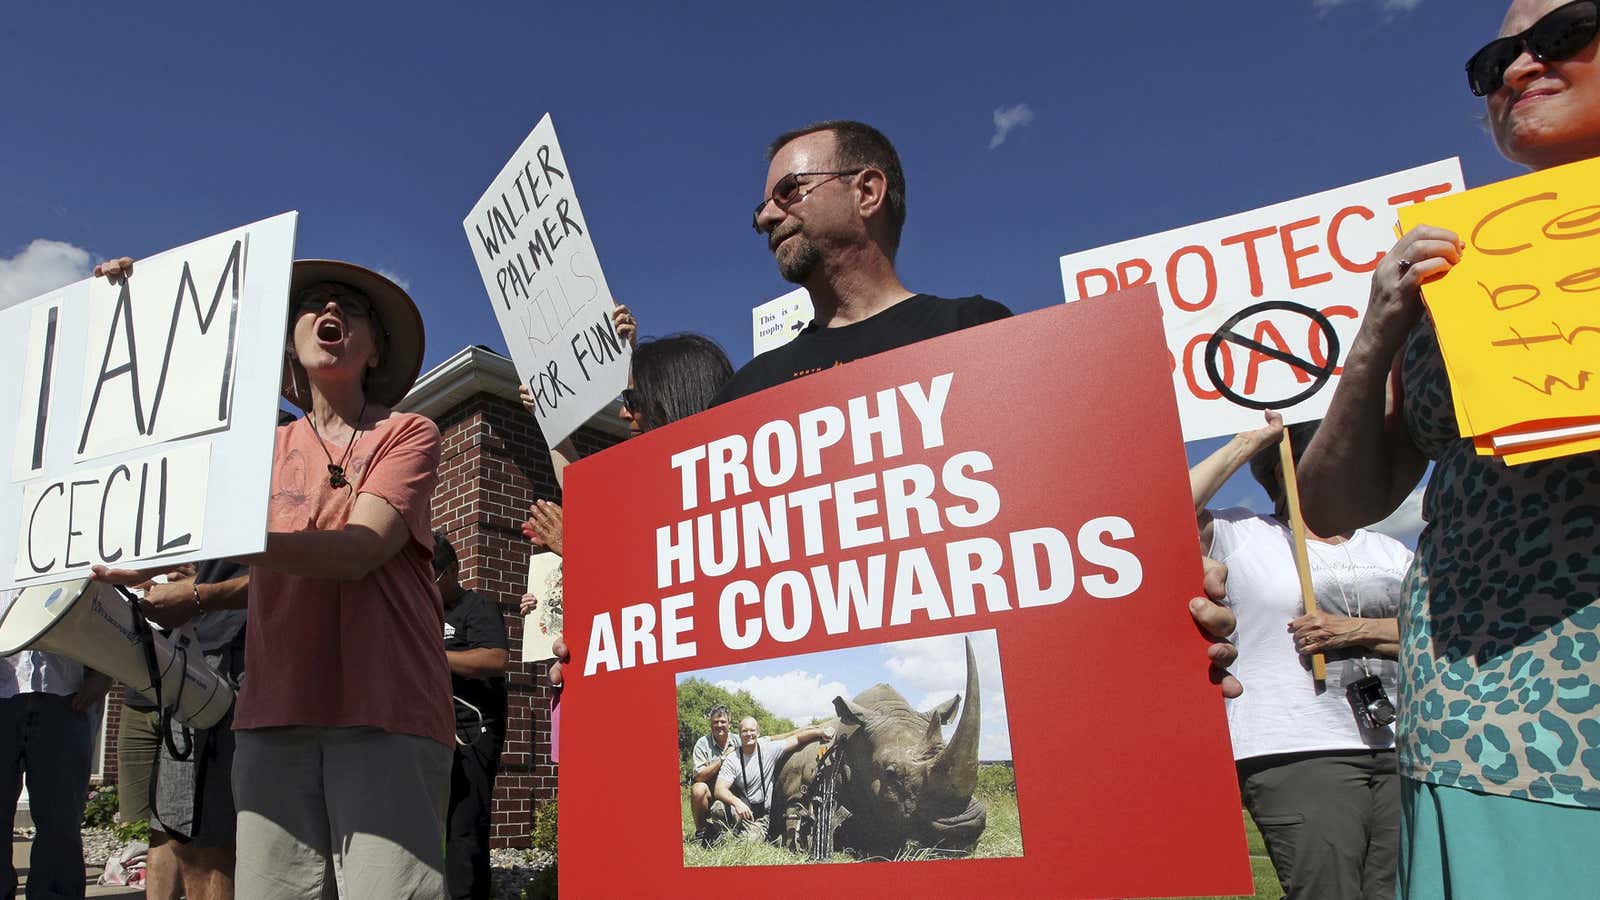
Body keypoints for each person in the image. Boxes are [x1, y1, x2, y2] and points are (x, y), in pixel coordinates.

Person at [1297, 2, 1600, 895]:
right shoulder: (1452, 270)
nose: (1517, 69)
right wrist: (1378, 332)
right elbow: (1333, 507)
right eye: (1493, 59)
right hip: (1495, 720)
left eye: (1563, 32)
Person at [92, 256, 454, 900]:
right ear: (288, 342)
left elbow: (354, 552)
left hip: (386, 708)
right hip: (273, 712)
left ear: (375, 351)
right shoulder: (255, 452)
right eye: (312, 303)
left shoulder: (409, 433)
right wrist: (130, 314)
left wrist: (213, 552)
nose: (330, 311)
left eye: (351, 305)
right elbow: (162, 406)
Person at [1193, 412, 1408, 900]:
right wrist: (1253, 439)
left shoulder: (1390, 551)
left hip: (1398, 744)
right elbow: (1162, 512)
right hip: (1296, 747)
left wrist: (1356, 630)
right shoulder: (1241, 533)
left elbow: (1438, 631)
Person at [0, 590, 111, 900]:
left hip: (66, 692)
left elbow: (107, 597)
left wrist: (107, 670)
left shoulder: (78, 539)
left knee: (61, 822)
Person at [434, 532, 510, 900]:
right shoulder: (423, 612)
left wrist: (434, 655)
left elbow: (495, 660)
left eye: (432, 576)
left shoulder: (477, 608)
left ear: (452, 570)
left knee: (465, 828)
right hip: (430, 731)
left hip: (472, 733)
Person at [710, 717, 831, 840]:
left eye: (752, 730)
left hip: (762, 816)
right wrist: (737, 803)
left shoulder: (769, 749)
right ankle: (724, 837)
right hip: (741, 809)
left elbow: (797, 738)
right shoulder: (732, 758)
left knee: (748, 842)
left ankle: (741, 835)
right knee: (717, 808)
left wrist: (820, 732)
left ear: (758, 733)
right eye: (744, 731)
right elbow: (719, 789)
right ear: (739, 734)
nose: (748, 734)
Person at [685, 705, 740, 843]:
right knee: (698, 789)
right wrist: (723, 758)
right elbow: (699, 776)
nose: (719, 725)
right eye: (716, 722)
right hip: (711, 793)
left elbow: (765, 742)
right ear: (711, 724)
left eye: (723, 722)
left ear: (729, 724)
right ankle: (701, 833)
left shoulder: (739, 740)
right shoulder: (702, 743)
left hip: (734, 793)